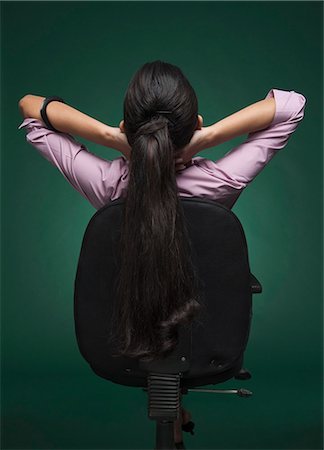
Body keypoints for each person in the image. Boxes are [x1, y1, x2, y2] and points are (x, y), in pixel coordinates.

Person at [18, 60, 307, 448]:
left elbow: (31, 109)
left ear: (126, 129)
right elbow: (292, 106)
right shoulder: (218, 183)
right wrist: (208, 138)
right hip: (205, 340)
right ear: (197, 123)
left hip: (124, 339)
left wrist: (110, 137)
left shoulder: (108, 185)